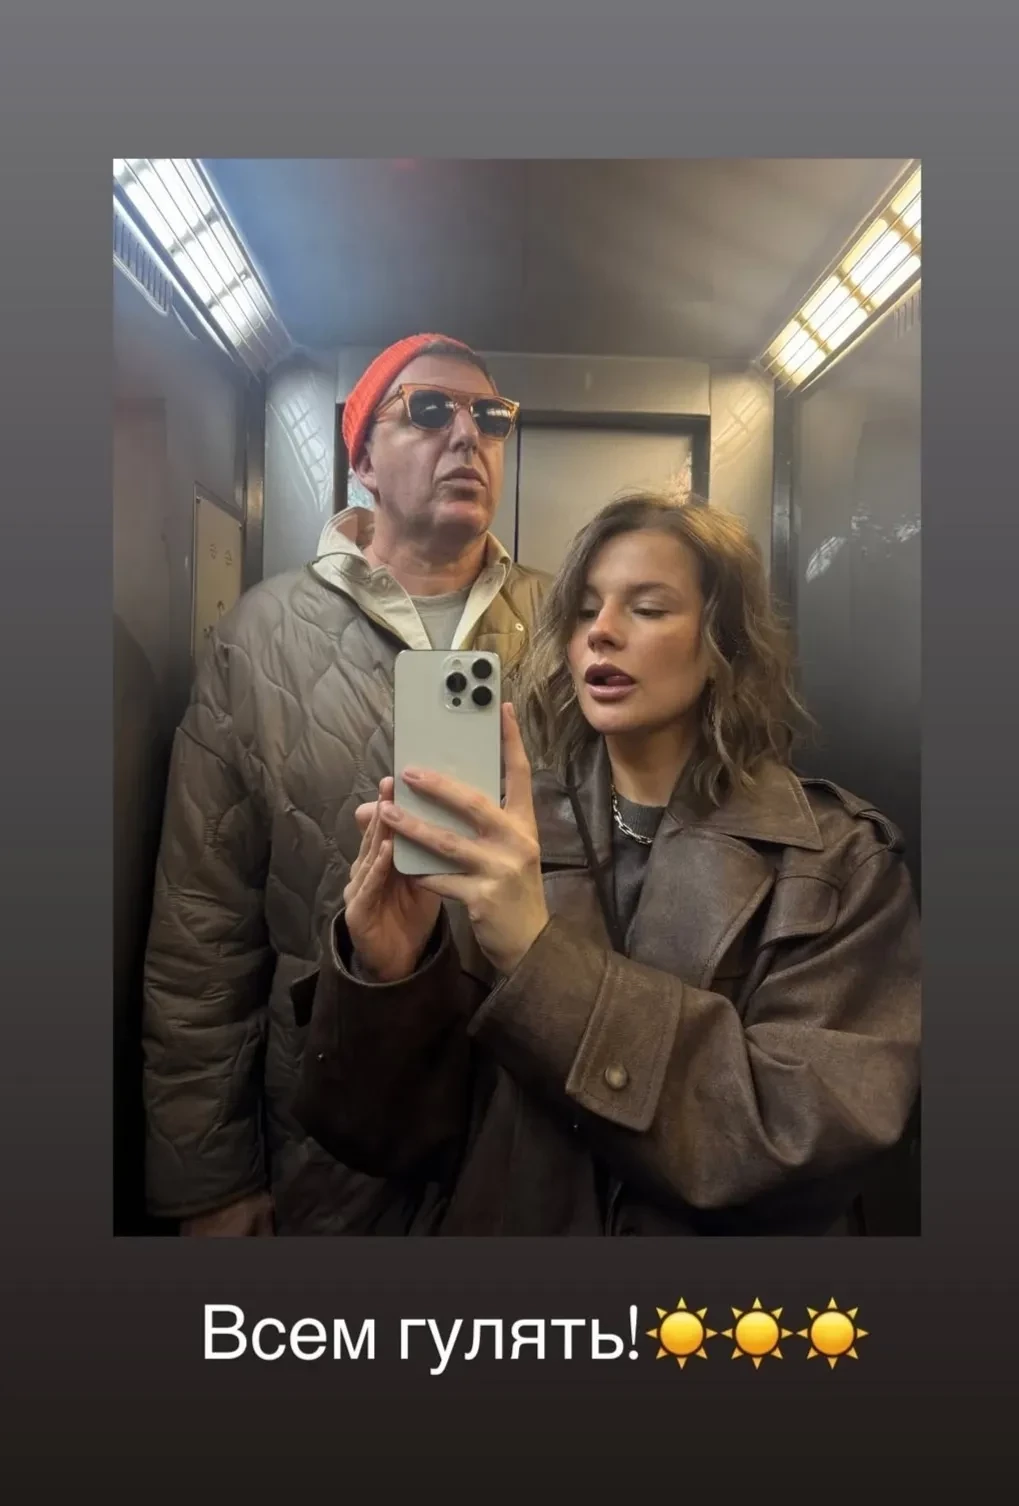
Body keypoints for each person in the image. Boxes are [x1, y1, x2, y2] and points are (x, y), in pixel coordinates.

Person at [292, 493, 921, 1235]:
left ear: (722, 641)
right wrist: (389, 978)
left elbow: (794, 1141)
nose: (603, 632)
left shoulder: (838, 861)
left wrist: (537, 959)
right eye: (585, 610)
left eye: (647, 609)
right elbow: (388, 1140)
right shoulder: (500, 841)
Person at [141, 334, 550, 1235]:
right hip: (329, 1126)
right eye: (429, 410)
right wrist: (209, 1181)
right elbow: (202, 927)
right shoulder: (258, 640)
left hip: (530, 1121)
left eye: (490, 418)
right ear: (361, 459)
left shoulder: (570, 631)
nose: (467, 436)